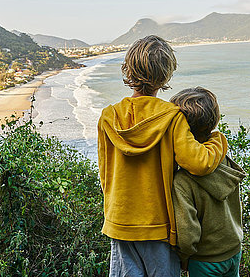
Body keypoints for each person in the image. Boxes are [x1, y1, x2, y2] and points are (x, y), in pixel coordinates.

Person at [97, 35, 228, 277]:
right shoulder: (171, 116)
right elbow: (199, 163)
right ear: (166, 75)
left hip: (119, 221)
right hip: (157, 227)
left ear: (128, 69)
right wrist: (218, 140)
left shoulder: (109, 116)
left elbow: (105, 175)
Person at [170, 87, 245, 277]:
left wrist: (184, 258)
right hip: (234, 250)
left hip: (205, 260)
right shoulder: (223, 157)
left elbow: (187, 234)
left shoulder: (183, 180)